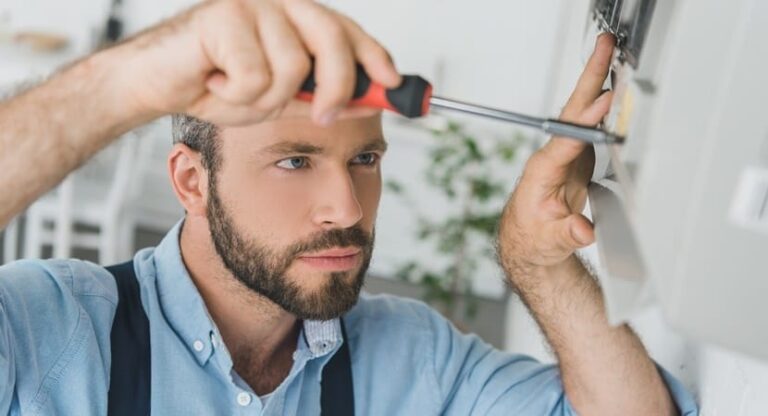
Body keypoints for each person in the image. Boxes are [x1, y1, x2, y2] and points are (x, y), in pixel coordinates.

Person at [0, 0, 697, 414]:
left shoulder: (410, 358)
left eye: (364, 160)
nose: (345, 208)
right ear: (191, 182)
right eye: (294, 161)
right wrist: (121, 84)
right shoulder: (50, 332)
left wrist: (540, 264)